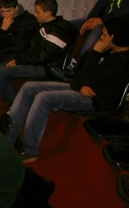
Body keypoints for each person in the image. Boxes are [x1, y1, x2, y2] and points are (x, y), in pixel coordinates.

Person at [7, 15, 129, 162]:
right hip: (80, 88)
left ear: (115, 38)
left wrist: (95, 54)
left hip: (94, 100)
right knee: (29, 87)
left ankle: (29, 150)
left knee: (43, 98)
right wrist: (81, 84)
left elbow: (90, 80)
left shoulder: (123, 62)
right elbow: (78, 74)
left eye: (104, 35)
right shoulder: (108, 52)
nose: (101, 38)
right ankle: (8, 138)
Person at [0, 0, 77, 106]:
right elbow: (32, 49)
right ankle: (13, 104)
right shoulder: (46, 26)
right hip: (39, 63)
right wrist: (17, 59)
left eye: (38, 12)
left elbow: (43, 57)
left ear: (47, 13)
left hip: (48, 68)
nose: (35, 15)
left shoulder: (58, 31)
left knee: (4, 71)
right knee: (1, 67)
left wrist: (19, 60)